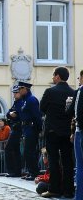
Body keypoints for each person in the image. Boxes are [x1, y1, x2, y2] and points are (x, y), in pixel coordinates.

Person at [39, 67, 75, 198]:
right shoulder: (73, 92)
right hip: (67, 132)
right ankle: (68, 190)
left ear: (58, 76)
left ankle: (54, 189)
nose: (53, 78)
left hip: (53, 131)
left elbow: (42, 108)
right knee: (68, 162)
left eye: (54, 76)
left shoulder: (50, 91)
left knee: (53, 160)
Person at [18, 81, 42, 181]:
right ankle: (31, 171)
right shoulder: (25, 100)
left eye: (20, 89)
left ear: (25, 89)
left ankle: (34, 172)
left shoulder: (31, 100)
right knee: (27, 152)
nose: (19, 91)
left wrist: (39, 129)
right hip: (26, 128)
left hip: (32, 128)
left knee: (30, 151)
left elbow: (37, 116)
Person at [67, 69, 83, 200]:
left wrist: (68, 105)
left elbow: (72, 112)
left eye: (79, 78)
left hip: (80, 131)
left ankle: (79, 196)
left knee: (80, 166)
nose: (78, 80)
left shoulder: (79, 91)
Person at [5, 84, 23, 177]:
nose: (14, 95)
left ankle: (12, 170)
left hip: (18, 128)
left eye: (16, 93)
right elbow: (8, 113)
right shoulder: (16, 102)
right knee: (15, 150)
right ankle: (16, 171)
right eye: (14, 93)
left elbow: (18, 115)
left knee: (9, 148)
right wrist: (11, 113)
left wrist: (12, 114)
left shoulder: (20, 102)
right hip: (14, 128)